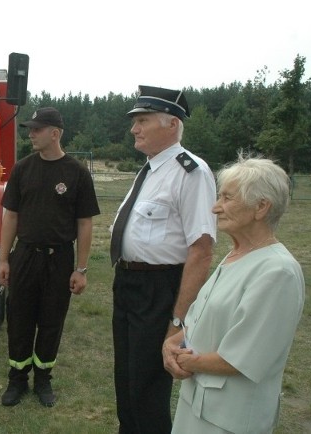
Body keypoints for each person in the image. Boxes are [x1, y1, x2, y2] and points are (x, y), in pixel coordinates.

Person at [162, 154, 305, 433]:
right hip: (197, 404)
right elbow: (202, 321)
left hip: (230, 417)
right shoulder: (236, 254)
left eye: (227, 198)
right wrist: (172, 344)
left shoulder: (277, 272)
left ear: (261, 207)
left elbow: (244, 356)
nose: (215, 208)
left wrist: (186, 360)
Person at [109, 85, 217, 433]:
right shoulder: (151, 170)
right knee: (126, 378)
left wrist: (178, 320)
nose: (133, 129)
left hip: (158, 288)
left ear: (171, 124)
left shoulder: (191, 172)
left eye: (142, 120)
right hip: (127, 283)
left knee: (147, 386)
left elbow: (201, 249)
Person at [0, 107, 100, 407]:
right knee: (19, 321)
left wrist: (81, 269)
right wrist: (4, 259)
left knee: (51, 321)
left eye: (37, 129)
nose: (30, 134)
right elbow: (11, 216)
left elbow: (84, 223)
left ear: (55, 133)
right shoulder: (22, 169)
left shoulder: (76, 172)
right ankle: (17, 380)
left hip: (59, 260)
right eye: (30, 128)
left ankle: (43, 380)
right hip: (26, 256)